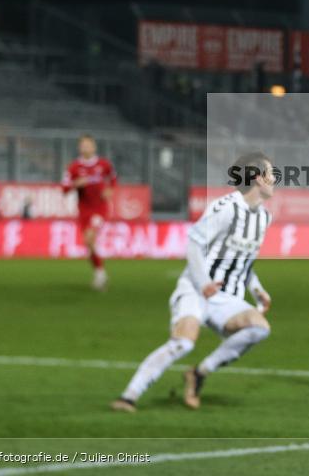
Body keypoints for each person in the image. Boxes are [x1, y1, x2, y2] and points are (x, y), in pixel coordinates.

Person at [111, 152, 274, 412]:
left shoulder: (264, 217)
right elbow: (195, 242)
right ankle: (129, 396)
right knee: (184, 343)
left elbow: (243, 261)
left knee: (259, 328)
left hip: (225, 297)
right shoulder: (226, 209)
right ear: (256, 178)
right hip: (196, 289)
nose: (275, 178)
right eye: (270, 173)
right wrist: (203, 282)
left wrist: (257, 290)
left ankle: (199, 373)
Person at [61, 135, 117, 290]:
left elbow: (113, 177)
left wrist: (110, 190)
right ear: (79, 148)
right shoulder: (74, 167)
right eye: (83, 145)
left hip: (99, 208)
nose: (86, 148)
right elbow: (64, 189)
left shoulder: (104, 164)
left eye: (88, 145)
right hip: (84, 209)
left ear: (94, 147)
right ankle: (100, 272)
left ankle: (100, 274)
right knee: (88, 243)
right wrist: (76, 184)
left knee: (90, 238)